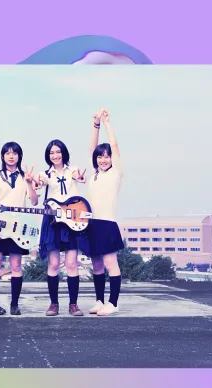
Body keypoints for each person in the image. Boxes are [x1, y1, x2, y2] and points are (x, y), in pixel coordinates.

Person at [0, 142, 39, 315]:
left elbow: (34, 201)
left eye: (15, 153)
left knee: (16, 265)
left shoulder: (25, 178)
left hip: (19, 226)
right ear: (2, 156)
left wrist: (29, 183)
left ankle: (14, 304)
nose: (11, 156)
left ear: (20, 156)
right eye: (8, 153)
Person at [34, 139, 89, 316]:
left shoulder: (72, 170)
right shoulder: (45, 174)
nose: (55, 155)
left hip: (72, 220)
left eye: (58, 152)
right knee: (54, 263)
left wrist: (80, 178)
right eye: (51, 153)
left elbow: (78, 177)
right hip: (53, 221)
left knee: (72, 264)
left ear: (64, 153)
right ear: (48, 156)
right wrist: (35, 183)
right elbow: (39, 183)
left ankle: (73, 304)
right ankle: (53, 304)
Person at [86, 109, 125, 316]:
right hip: (91, 224)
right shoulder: (94, 174)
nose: (103, 160)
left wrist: (107, 123)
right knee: (97, 265)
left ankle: (113, 302)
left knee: (111, 264)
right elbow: (92, 148)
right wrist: (95, 125)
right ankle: (100, 300)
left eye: (106, 157)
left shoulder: (116, 173)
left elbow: (116, 147)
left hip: (107, 223)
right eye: (100, 157)